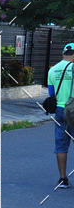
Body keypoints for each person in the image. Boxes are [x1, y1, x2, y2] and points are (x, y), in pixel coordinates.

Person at [47, 42, 74, 188]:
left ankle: (63, 179)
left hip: (59, 110)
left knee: (61, 145)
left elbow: (51, 94)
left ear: (64, 53)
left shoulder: (53, 70)